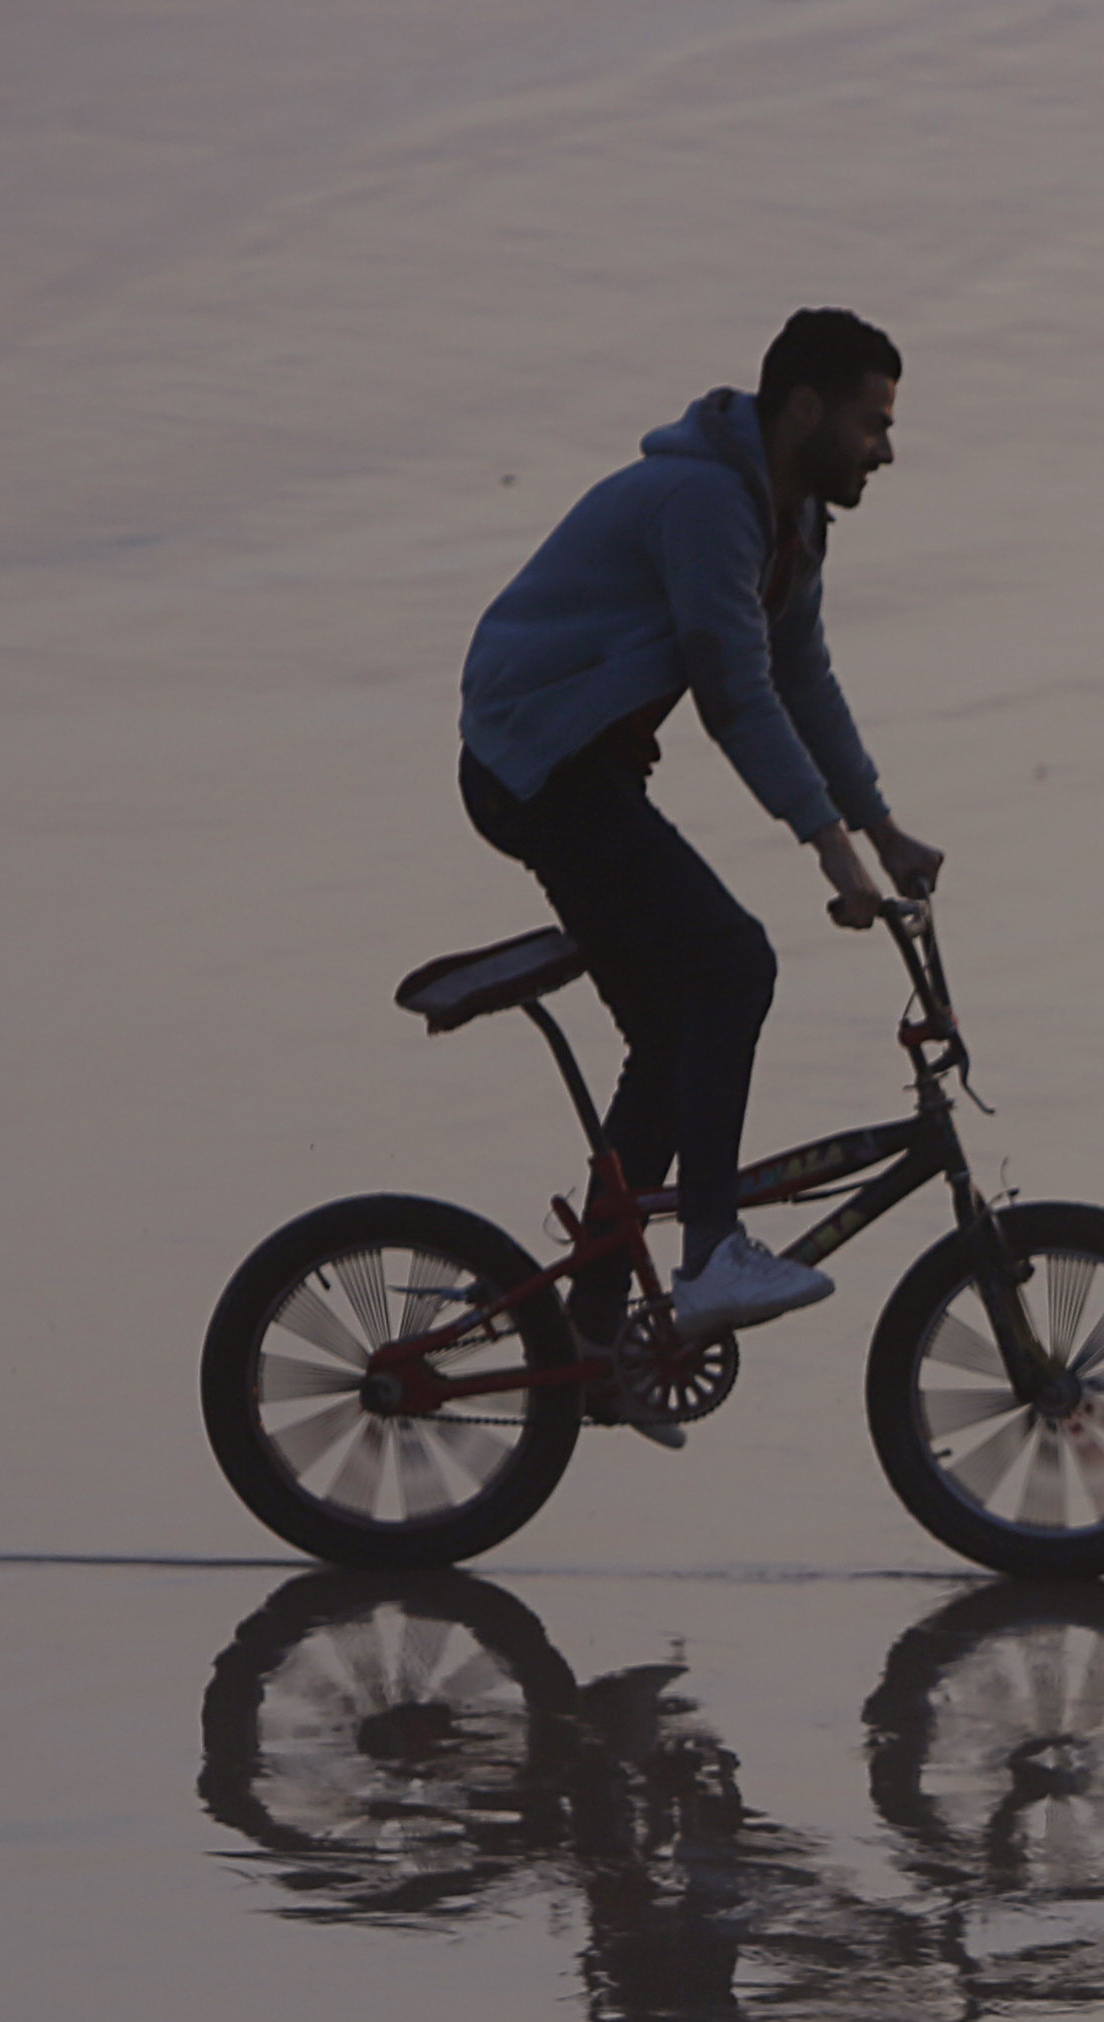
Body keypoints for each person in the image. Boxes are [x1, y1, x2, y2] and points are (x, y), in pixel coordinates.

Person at [456, 307, 950, 1392]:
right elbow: (730, 685)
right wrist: (828, 851)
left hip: (592, 769)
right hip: (535, 762)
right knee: (733, 963)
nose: (887, 448)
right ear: (804, 408)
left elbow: (802, 682)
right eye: (872, 422)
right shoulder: (704, 502)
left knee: (675, 1033)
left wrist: (882, 827)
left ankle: (585, 1330)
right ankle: (710, 1255)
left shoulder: (792, 522)